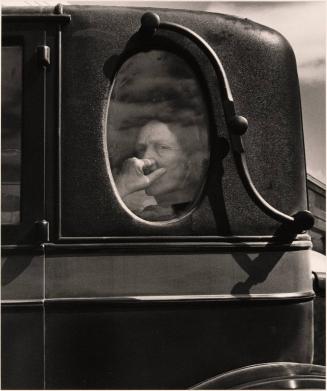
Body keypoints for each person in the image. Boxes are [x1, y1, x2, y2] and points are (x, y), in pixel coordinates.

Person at [115, 120, 208, 220]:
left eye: (162, 147)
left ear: (189, 159)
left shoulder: (204, 219)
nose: (145, 158)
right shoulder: (147, 216)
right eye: (141, 149)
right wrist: (122, 186)